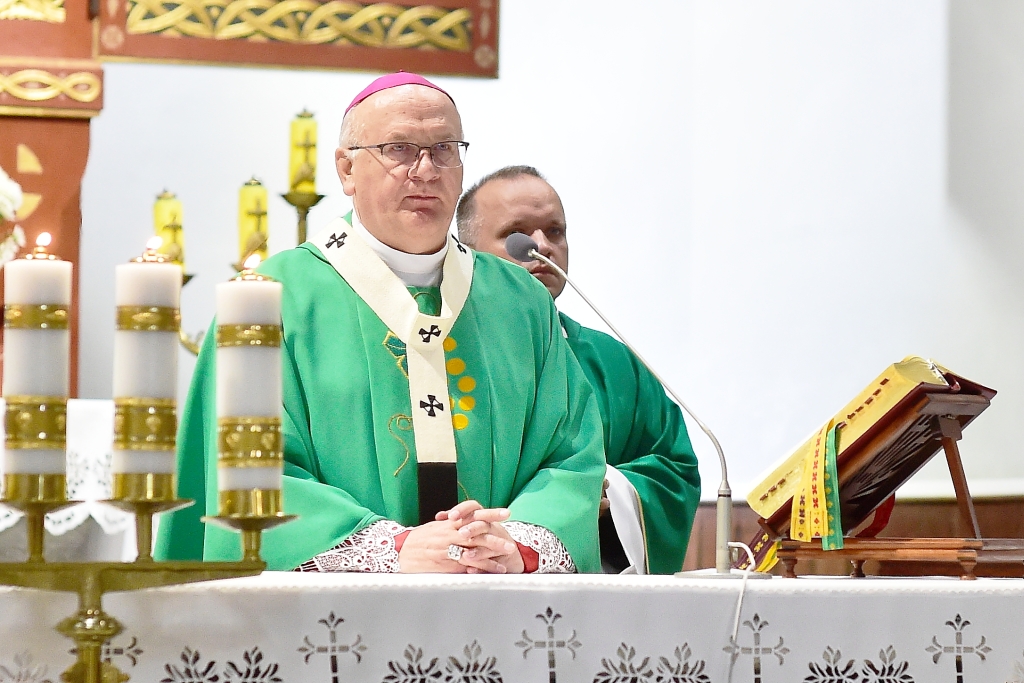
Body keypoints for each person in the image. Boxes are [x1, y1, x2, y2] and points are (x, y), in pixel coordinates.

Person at [155, 75, 604, 574]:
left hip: (498, 599)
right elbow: (244, 471)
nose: (426, 170)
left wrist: (515, 544)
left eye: (444, 149)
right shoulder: (266, 301)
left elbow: (571, 456)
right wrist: (392, 550)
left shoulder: (520, 302)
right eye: (399, 149)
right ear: (346, 169)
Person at [455, 166, 701, 574]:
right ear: (466, 252)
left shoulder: (614, 364)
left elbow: (673, 469)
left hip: (583, 589)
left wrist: (608, 492)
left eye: (555, 232)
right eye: (516, 234)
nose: (541, 247)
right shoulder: (439, 352)